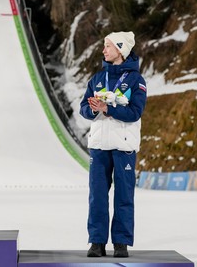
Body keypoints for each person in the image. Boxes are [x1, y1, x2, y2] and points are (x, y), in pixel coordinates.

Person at [79, 31, 147, 258]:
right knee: (97, 195)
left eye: (107, 46)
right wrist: (93, 108)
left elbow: (135, 112)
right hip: (99, 146)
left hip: (124, 146)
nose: (103, 50)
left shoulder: (137, 81)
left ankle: (121, 243)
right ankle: (96, 242)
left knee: (124, 196)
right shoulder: (97, 79)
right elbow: (84, 109)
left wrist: (109, 108)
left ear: (120, 49)